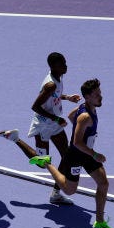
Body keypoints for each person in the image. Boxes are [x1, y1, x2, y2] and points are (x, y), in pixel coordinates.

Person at [0, 78, 114, 228]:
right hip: (76, 155)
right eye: (96, 94)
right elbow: (76, 142)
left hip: (87, 153)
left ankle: (100, 222)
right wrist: (95, 154)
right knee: (69, 191)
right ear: (87, 97)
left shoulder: (82, 109)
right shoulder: (85, 117)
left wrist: (86, 134)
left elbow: (70, 115)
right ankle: (47, 163)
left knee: (103, 183)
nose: (100, 96)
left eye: (100, 93)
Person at [28, 52, 82, 205]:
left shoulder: (58, 77)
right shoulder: (50, 84)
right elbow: (35, 106)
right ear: (53, 67)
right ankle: (15, 139)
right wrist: (57, 118)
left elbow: (55, 95)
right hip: (43, 125)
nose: (66, 66)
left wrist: (67, 97)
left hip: (53, 124)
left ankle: (55, 193)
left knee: (67, 156)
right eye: (62, 64)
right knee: (41, 163)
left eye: (65, 62)